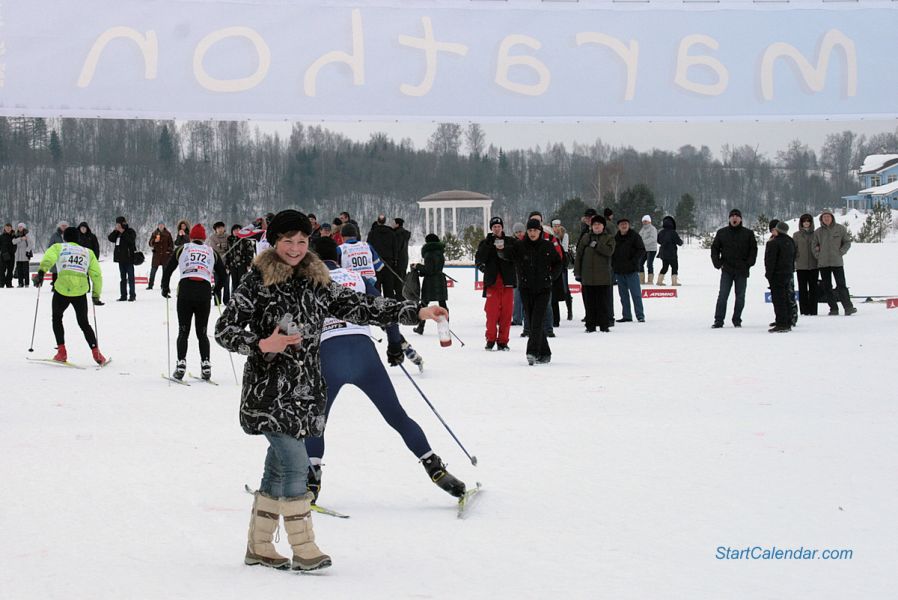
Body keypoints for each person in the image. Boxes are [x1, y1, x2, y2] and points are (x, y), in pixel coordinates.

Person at [215, 210, 447, 572]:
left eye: (301, 241)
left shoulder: (316, 281)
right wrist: (261, 344)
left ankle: (258, 546)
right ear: (275, 242)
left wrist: (415, 312)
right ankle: (304, 547)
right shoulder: (256, 280)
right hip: (268, 393)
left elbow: (363, 305)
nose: (294, 248)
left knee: (277, 469)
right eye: (288, 241)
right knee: (294, 464)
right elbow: (225, 329)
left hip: (305, 391)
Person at [304, 236, 461, 504]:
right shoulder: (356, 277)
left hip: (329, 353)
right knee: (397, 416)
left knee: (315, 423)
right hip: (364, 352)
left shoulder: (306, 281)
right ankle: (434, 466)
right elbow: (383, 309)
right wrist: (394, 344)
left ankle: (311, 481)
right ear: (339, 257)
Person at [32, 226, 107, 365]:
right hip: (80, 291)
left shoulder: (59, 247)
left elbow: (48, 259)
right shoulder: (88, 252)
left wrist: (41, 273)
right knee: (84, 323)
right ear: (78, 239)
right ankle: (96, 353)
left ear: (64, 238)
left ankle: (62, 352)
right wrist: (96, 295)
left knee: (57, 318)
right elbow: (96, 275)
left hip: (62, 290)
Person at [162, 224, 226, 381]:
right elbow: (223, 275)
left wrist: (165, 286)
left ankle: (181, 365)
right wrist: (216, 289)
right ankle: (206, 365)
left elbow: (168, 268)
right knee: (202, 332)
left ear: (191, 237)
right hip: (204, 292)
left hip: (185, 291)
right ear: (204, 238)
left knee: (183, 331)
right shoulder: (211, 251)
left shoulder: (183, 248)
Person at [509, 218, 562, 364]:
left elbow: (559, 263)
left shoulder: (547, 246)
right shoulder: (520, 246)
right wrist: (500, 248)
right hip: (526, 289)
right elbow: (507, 256)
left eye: (535, 230)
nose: (532, 233)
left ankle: (532, 351)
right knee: (532, 320)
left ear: (540, 231)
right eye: (530, 230)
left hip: (543, 289)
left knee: (537, 319)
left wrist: (551, 277)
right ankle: (545, 353)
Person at [711, 209, 758, 328]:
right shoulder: (722, 232)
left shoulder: (748, 233)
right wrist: (718, 263)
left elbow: (753, 250)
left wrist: (749, 263)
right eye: (732, 216)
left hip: (742, 270)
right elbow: (715, 249)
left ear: (741, 219)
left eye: (737, 216)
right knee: (723, 295)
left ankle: (737, 319)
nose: (734, 218)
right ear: (729, 219)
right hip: (727, 269)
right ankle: (719, 320)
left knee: (740, 296)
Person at [475, 217, 517, 351]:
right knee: (491, 314)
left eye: (499, 226)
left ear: (502, 227)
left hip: (507, 283)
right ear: (491, 228)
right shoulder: (485, 242)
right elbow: (479, 259)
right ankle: (491, 339)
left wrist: (504, 249)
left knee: (506, 314)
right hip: (492, 283)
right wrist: (489, 244)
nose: (497, 229)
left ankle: (503, 341)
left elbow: (517, 257)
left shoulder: (510, 241)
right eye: (494, 227)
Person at [574, 215, 615, 333]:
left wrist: (597, 245)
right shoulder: (586, 237)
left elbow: (609, 251)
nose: (596, 226)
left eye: (599, 224)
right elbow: (579, 255)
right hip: (587, 277)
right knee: (589, 303)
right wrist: (577, 272)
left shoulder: (609, 238)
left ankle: (604, 325)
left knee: (603, 303)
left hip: (603, 277)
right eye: (594, 225)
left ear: (603, 226)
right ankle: (590, 325)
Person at [813, 209, 856, 316]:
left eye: (828, 217)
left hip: (837, 262)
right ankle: (833, 308)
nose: (826, 219)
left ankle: (848, 307)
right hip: (823, 264)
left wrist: (841, 252)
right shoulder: (818, 232)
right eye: (824, 217)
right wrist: (819, 256)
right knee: (827, 287)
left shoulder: (840, 229)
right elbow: (813, 246)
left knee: (841, 285)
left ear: (832, 217)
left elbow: (847, 242)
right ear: (821, 219)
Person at [412, 233, 448, 335]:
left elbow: (429, 269)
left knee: (424, 305)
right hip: (440, 280)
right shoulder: (440, 252)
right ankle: (446, 326)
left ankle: (420, 327)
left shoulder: (428, 253)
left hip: (430, 282)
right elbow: (434, 268)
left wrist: (417, 266)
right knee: (443, 304)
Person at [612, 218, 646, 323]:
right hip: (619, 271)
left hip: (631, 270)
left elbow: (641, 249)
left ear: (629, 225)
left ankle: (640, 315)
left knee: (636, 294)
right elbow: (612, 252)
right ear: (618, 226)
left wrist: (634, 261)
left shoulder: (634, 236)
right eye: (621, 224)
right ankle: (627, 315)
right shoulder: (615, 238)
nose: (624, 226)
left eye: (626, 224)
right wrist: (613, 265)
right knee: (623, 295)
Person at [765, 220, 796, 332]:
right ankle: (788, 320)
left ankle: (782, 323)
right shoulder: (790, 241)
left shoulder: (773, 243)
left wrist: (769, 275)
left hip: (777, 274)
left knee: (778, 299)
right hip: (788, 273)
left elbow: (770, 261)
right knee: (786, 298)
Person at [366, 214, 399, 298]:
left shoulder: (372, 233)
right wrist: (395, 260)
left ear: (377, 221)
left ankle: (377, 305)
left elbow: (368, 248)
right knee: (388, 287)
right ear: (385, 221)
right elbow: (395, 248)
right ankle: (390, 306)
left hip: (375, 262)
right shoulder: (391, 233)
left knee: (376, 287)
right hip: (388, 263)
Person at [793, 213, 818, 316]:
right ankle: (804, 311)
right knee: (802, 289)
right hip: (801, 266)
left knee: (813, 289)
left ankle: (813, 311)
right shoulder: (796, 235)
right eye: (804, 221)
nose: (806, 223)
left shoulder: (816, 234)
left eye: (808, 221)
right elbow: (793, 249)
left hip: (814, 265)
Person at [108, 215, 138, 301]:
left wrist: (123, 231)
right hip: (120, 259)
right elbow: (110, 238)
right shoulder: (117, 233)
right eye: (117, 224)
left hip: (129, 258)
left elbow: (131, 240)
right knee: (123, 278)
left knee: (131, 278)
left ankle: (132, 295)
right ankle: (123, 295)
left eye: (119, 224)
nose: (118, 226)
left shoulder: (130, 231)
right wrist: (115, 231)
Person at [551, 218, 573, 323]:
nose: (556, 228)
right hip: (554, 263)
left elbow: (564, 249)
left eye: (557, 225)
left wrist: (556, 241)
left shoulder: (564, 235)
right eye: (554, 226)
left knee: (565, 288)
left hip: (562, 263)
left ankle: (569, 310)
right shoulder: (550, 234)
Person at [655, 215, 683, 286]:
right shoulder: (673, 232)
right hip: (672, 253)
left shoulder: (661, 232)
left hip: (663, 253)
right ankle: (674, 282)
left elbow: (658, 241)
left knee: (664, 267)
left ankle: (659, 281)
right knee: (674, 267)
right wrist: (681, 242)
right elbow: (679, 242)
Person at [227, 223, 255, 293]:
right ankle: (234, 296)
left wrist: (249, 263)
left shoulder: (245, 240)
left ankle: (242, 295)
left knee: (242, 281)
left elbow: (250, 252)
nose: (236, 231)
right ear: (232, 231)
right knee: (234, 283)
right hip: (232, 265)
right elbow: (228, 253)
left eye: (238, 230)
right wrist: (227, 265)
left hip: (243, 264)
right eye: (234, 230)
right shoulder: (229, 240)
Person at [209, 221, 230, 304]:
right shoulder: (212, 238)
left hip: (226, 263)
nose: (220, 229)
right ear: (215, 230)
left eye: (222, 227)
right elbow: (214, 249)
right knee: (217, 282)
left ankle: (226, 300)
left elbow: (230, 247)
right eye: (218, 228)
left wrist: (220, 245)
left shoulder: (228, 237)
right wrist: (223, 246)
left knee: (226, 283)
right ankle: (217, 301)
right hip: (216, 264)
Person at [147, 222, 174, 290]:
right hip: (156, 255)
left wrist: (169, 251)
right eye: (160, 225)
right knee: (153, 271)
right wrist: (154, 241)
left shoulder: (168, 234)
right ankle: (150, 285)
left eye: (162, 225)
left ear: (164, 226)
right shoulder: (154, 233)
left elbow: (171, 245)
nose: (161, 226)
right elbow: (150, 243)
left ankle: (163, 285)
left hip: (165, 256)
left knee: (165, 272)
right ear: (158, 226)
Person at [510, 222, 526, 326]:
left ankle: (526, 316)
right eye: (516, 232)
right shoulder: (513, 243)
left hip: (526, 272)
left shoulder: (528, 242)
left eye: (520, 232)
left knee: (526, 296)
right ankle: (517, 318)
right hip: (516, 272)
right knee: (516, 296)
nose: (518, 234)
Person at [392, 217, 411, 301]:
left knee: (398, 280)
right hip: (404, 259)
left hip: (398, 260)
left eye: (393, 223)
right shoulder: (404, 234)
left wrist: (394, 259)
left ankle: (400, 297)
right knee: (402, 278)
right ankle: (402, 295)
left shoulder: (398, 234)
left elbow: (397, 248)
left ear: (397, 224)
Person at [48, 221, 69, 288]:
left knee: (66, 271)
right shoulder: (55, 235)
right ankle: (54, 286)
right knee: (55, 271)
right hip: (57, 255)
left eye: (65, 226)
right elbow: (50, 245)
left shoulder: (70, 234)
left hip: (67, 256)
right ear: (59, 226)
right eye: (62, 226)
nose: (64, 227)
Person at [12, 223, 34, 287]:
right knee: (19, 270)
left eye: (21, 227)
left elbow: (31, 243)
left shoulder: (27, 234)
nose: (20, 228)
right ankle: (20, 283)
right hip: (18, 255)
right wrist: (21, 239)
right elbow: (13, 242)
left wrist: (27, 251)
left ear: (24, 227)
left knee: (26, 270)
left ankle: (27, 283)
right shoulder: (16, 234)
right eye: (19, 227)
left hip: (25, 255)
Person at [639, 215, 658, 285]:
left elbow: (653, 238)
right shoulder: (642, 230)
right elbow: (639, 237)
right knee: (640, 263)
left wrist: (643, 242)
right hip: (644, 250)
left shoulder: (652, 229)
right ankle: (641, 280)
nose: (644, 222)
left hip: (651, 249)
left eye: (645, 221)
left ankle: (650, 280)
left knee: (649, 264)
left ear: (649, 221)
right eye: (643, 221)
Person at [0, 223, 14, 287]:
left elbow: (15, 246)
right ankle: (1, 283)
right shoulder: (1, 236)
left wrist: (12, 251)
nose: (8, 229)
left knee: (10, 270)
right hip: (3, 255)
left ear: (11, 228)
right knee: (2, 270)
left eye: (9, 228)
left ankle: (9, 283)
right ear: (4, 228)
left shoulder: (14, 236)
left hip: (11, 255)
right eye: (7, 228)